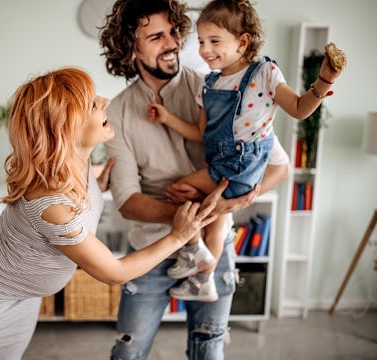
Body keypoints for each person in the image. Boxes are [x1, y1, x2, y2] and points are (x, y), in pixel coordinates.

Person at [0, 67, 222, 360]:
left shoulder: (71, 163)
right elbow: (114, 272)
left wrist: (98, 181)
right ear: (66, 127)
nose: (105, 101)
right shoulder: (53, 205)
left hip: (20, 293)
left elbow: (78, 195)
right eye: (93, 105)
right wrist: (178, 235)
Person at [99, 0, 290, 358]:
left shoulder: (222, 90)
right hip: (151, 252)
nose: (172, 43)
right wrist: (185, 220)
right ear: (130, 46)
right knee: (128, 351)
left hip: (215, 252)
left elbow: (279, 166)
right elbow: (127, 200)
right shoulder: (118, 111)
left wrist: (237, 200)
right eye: (156, 36)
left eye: (174, 32)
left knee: (208, 351)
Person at [146, 0, 347, 302]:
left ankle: (191, 253)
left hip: (240, 166)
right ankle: (203, 280)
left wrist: (323, 82)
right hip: (223, 161)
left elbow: (298, 109)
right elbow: (202, 134)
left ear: (243, 41)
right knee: (214, 224)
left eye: (215, 41)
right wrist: (168, 118)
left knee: (180, 189)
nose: (204, 49)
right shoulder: (209, 83)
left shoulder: (264, 72)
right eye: (201, 41)